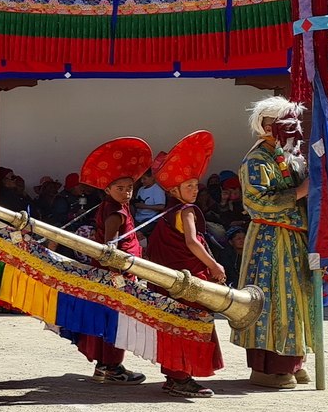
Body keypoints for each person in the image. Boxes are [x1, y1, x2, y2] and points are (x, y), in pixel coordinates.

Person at [232, 97, 313, 390]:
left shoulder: (289, 156)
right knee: (273, 300)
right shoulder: (256, 160)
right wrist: (301, 192)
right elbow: (256, 203)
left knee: (296, 298)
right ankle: (269, 368)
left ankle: (294, 360)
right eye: (285, 124)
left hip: (294, 239)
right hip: (269, 240)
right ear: (266, 126)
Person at [145, 131, 225, 397]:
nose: (195, 190)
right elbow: (192, 242)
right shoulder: (185, 211)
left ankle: (175, 376)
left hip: (171, 283)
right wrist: (214, 266)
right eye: (188, 186)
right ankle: (181, 379)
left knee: (173, 325)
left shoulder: (168, 214)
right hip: (187, 283)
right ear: (174, 190)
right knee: (190, 325)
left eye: (195, 185)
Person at [74, 137, 152, 385]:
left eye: (130, 187)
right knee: (117, 320)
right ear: (107, 189)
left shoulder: (115, 205)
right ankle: (112, 367)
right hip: (117, 274)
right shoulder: (115, 212)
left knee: (108, 318)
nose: (127, 192)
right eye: (120, 188)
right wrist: (121, 269)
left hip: (114, 273)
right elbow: (111, 247)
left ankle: (104, 366)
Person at [133, 168, 166, 233]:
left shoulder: (157, 190)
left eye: (145, 179)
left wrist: (145, 206)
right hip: (138, 218)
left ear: (152, 177)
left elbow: (161, 207)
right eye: (141, 179)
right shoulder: (141, 189)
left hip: (150, 219)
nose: (142, 181)